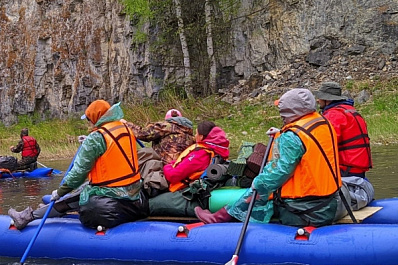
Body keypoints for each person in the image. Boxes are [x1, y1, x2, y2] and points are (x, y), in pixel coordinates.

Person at [195, 88, 342, 227]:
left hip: (303, 208)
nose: (280, 114)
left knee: (260, 188)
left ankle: (222, 216)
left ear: (290, 111)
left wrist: (256, 183)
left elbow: (277, 174)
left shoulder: (293, 136)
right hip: (327, 201)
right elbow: (306, 149)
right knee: (262, 192)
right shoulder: (322, 123)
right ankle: (223, 215)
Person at [8, 100, 148, 230]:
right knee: (82, 190)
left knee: (71, 196)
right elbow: (116, 152)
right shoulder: (125, 128)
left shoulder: (97, 138)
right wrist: (89, 142)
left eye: (89, 119)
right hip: (133, 190)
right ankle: (43, 211)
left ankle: (27, 217)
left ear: (96, 117)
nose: (89, 122)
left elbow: (78, 174)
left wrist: (60, 191)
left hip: (112, 193)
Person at [148, 121, 230, 217]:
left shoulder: (201, 154)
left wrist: (166, 166)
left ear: (202, 137)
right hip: (199, 190)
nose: (195, 136)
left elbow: (173, 175)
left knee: (148, 204)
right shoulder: (217, 150)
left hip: (187, 193)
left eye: (196, 133)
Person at [314, 81, 374, 210]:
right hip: (357, 171)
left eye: (319, 97)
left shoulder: (334, 115)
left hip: (346, 172)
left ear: (327, 99)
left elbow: (323, 145)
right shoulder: (351, 111)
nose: (318, 100)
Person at [123, 108, 195, 164]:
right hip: (181, 168)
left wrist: (126, 124)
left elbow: (143, 134)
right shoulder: (190, 134)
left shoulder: (166, 126)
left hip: (164, 166)